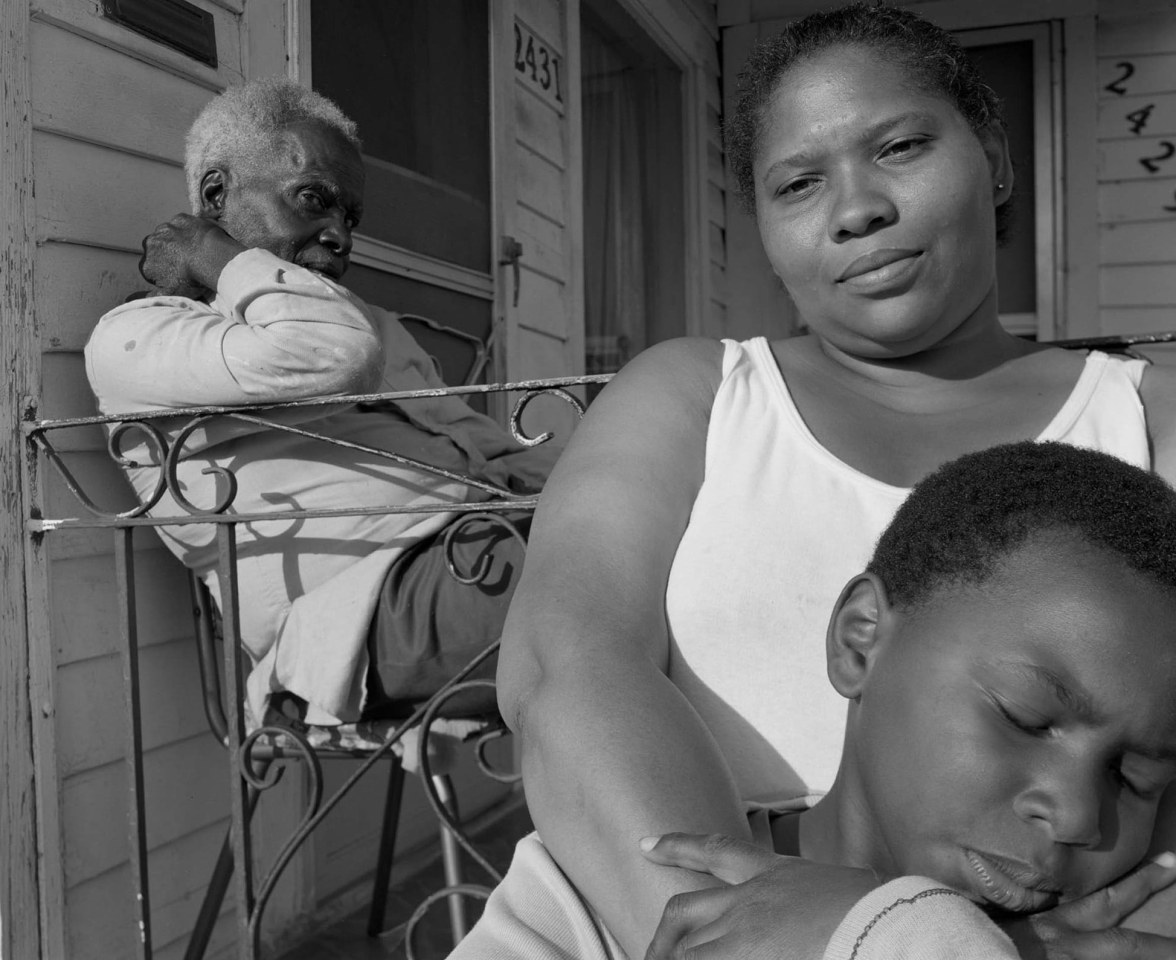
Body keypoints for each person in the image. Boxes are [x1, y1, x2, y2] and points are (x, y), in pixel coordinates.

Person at [449, 3, 1176, 959]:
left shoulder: (1148, 415)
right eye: (798, 183)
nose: (856, 208)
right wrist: (779, 936)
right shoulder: (695, 396)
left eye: (900, 147)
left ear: (995, 159)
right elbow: (567, 666)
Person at [85, 78, 553, 725]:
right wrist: (213, 255)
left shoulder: (367, 323)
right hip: (370, 608)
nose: (340, 237)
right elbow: (336, 353)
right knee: (630, 573)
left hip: (486, 544)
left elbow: (484, 445)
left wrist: (596, 479)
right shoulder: (141, 335)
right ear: (216, 196)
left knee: (671, 494)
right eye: (313, 200)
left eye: (349, 219)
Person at [639, 441, 1176, 959]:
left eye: (1135, 779)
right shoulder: (605, 907)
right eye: (1025, 718)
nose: (1077, 817)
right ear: (860, 641)